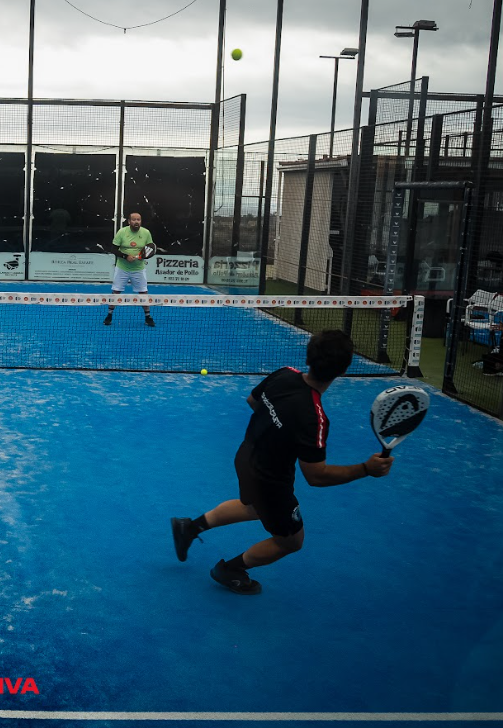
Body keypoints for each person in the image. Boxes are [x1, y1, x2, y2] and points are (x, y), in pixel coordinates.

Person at [170, 330, 394, 594]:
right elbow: (316, 475)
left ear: (309, 355)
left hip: (246, 457)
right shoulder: (315, 418)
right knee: (291, 541)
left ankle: (189, 527)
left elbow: (253, 401)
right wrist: (366, 469)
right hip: (270, 480)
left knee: (252, 506)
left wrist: (278, 428)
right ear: (343, 370)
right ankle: (230, 569)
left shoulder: (284, 373)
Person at [104, 212, 154, 327]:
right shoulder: (122, 232)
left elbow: (150, 249)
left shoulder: (146, 233)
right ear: (129, 221)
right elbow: (113, 249)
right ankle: (109, 315)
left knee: (143, 293)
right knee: (116, 291)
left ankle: (148, 316)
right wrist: (125, 256)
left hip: (139, 269)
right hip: (122, 268)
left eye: (139, 220)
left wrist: (142, 256)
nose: (136, 222)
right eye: (134, 220)